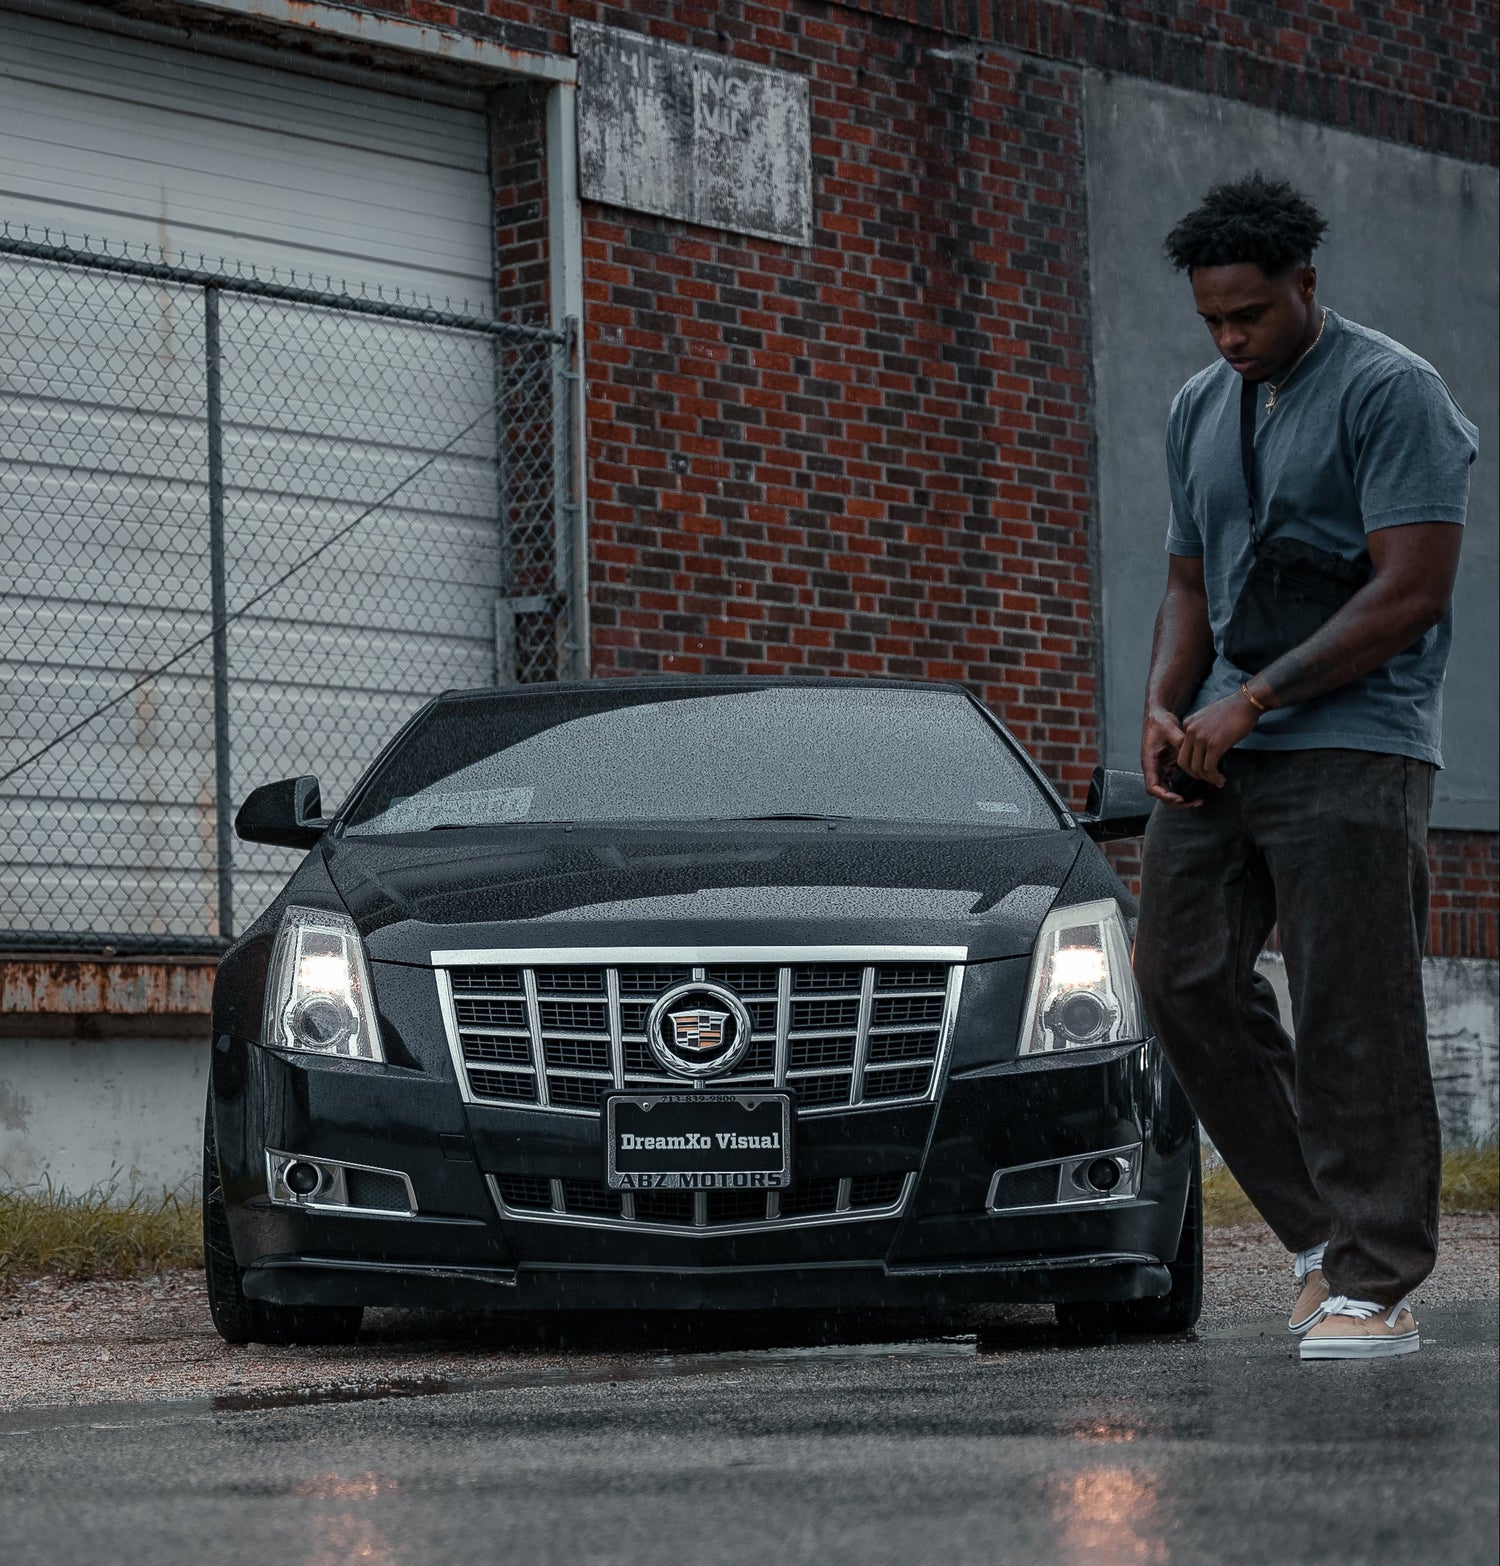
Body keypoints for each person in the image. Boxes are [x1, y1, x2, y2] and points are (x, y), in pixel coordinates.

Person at [1132, 172, 1478, 1360]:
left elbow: (1413, 591)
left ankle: (1376, 1285)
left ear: (1305, 287)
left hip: (1355, 740)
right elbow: (1187, 581)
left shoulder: (1393, 394)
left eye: (1252, 316)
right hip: (1221, 740)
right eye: (1212, 321)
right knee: (1180, 977)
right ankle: (1323, 1243)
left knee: (1352, 1010)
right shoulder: (1197, 407)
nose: (1231, 339)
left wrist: (1256, 699)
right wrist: (1164, 707)